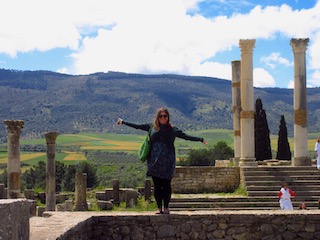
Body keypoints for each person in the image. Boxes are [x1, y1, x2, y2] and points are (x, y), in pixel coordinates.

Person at [116, 107, 208, 214]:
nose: (163, 118)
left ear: (168, 117)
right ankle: (159, 208)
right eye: (161, 116)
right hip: (154, 161)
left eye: (165, 116)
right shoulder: (152, 127)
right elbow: (138, 126)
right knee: (157, 186)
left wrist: (200, 139)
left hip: (168, 162)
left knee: (167, 185)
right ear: (157, 117)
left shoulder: (173, 130)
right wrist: (124, 122)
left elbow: (186, 137)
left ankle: (166, 207)